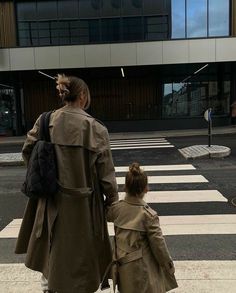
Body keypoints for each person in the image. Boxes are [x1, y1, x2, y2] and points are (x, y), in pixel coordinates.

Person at [15, 74, 118, 293]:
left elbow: (27, 152)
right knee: (85, 258)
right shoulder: (96, 129)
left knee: (52, 253)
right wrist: (112, 202)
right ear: (82, 96)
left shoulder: (45, 121)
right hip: (86, 206)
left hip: (51, 203)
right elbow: (106, 177)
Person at [107, 162, 178, 293]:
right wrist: (169, 266)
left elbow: (106, 214)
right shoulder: (148, 215)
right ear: (146, 189)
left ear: (125, 187)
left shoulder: (116, 209)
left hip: (122, 268)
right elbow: (159, 247)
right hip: (142, 271)